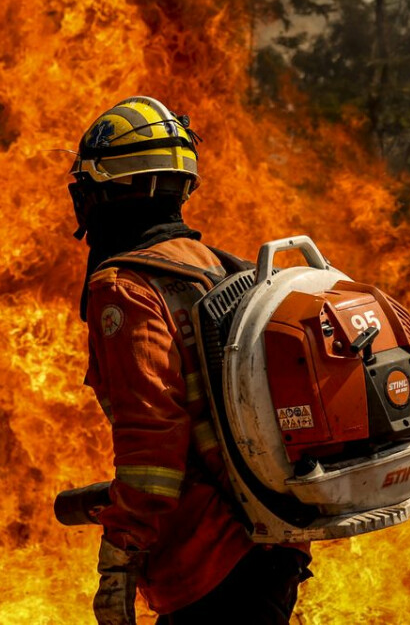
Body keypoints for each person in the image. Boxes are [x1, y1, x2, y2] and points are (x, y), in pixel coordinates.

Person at [68, 96, 311, 624]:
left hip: (209, 560)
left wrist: (119, 560)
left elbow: (153, 440)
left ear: (105, 192)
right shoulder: (219, 267)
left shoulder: (125, 289)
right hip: (272, 542)